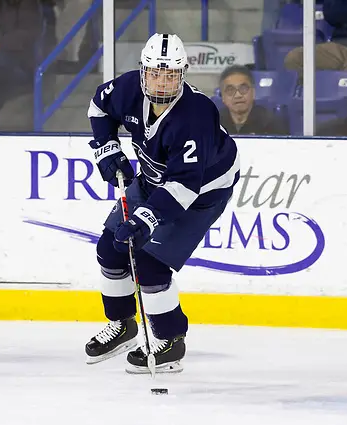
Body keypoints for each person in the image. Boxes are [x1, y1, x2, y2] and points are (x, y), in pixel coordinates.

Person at [84, 33, 240, 374]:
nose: (163, 81)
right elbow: (98, 107)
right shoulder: (127, 89)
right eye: (156, 72)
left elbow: (185, 186)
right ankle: (123, 326)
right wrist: (106, 148)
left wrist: (146, 220)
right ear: (143, 72)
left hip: (203, 190)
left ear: (183, 74)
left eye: (171, 74)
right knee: (110, 249)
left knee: (149, 262)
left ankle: (170, 342)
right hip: (154, 176)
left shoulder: (195, 115)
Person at [217, 65, 289, 136]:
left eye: (243, 88)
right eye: (230, 90)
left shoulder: (271, 123)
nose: (238, 95)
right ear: (223, 96)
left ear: (253, 92)